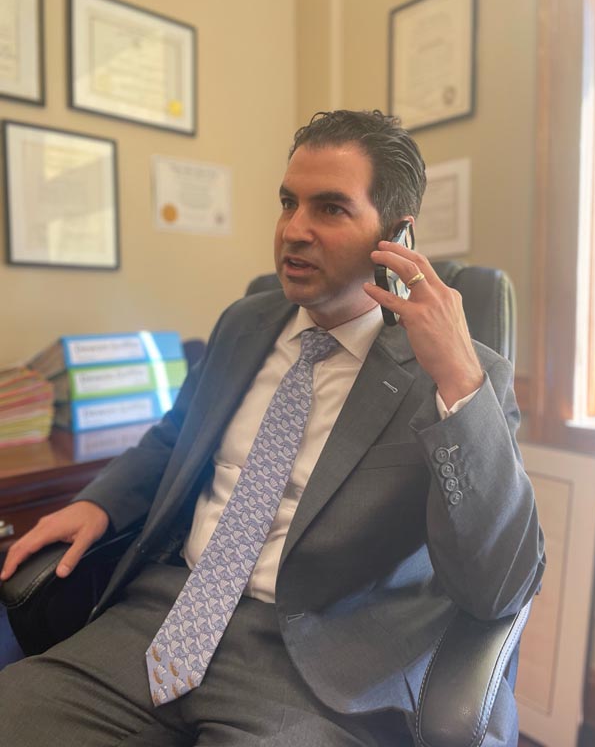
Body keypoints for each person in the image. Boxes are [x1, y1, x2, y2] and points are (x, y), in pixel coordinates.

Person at [0, 110, 545, 747]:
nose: (294, 230)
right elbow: (175, 436)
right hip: (163, 614)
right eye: (289, 203)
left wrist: (457, 381)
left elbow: (499, 586)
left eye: (331, 208)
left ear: (397, 234)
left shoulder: (456, 373)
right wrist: (99, 502)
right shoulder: (243, 323)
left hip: (316, 664)